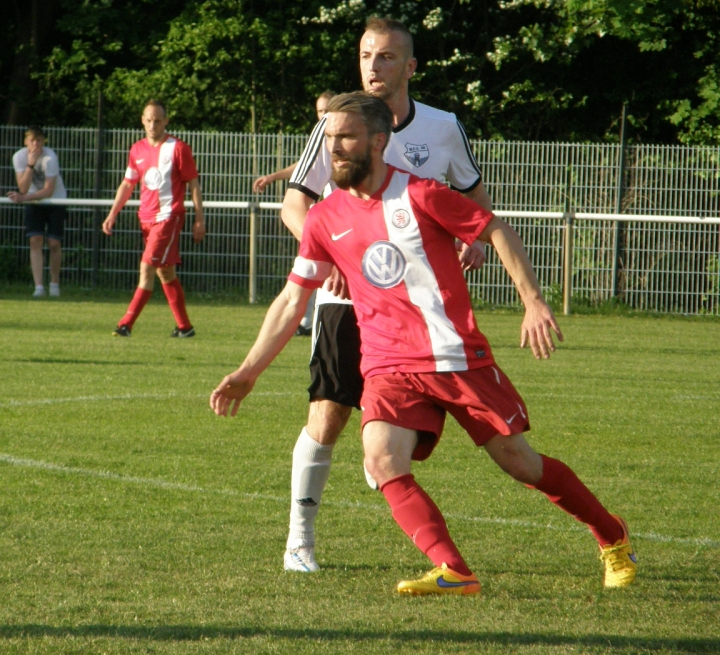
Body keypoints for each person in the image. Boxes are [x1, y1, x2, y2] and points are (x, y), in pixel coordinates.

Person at [211, 92, 637, 596]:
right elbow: (290, 300)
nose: (335, 150)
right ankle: (454, 570)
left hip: (456, 357)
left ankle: (612, 535)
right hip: (389, 365)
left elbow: (494, 227)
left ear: (378, 141)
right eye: (329, 139)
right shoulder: (324, 219)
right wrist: (248, 370)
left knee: (520, 463)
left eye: (345, 137)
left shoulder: (421, 195)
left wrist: (533, 301)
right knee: (381, 459)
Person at [278, 17, 491, 573]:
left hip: (421, 314)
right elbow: (294, 203)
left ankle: (432, 541)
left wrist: (479, 240)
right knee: (327, 416)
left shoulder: (443, 128)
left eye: (387, 56)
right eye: (367, 55)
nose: (374, 66)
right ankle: (300, 537)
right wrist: (332, 254)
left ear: (410, 66)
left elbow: (474, 198)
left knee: (410, 444)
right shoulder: (336, 124)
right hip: (347, 300)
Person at [102, 100, 206, 337]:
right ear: (142, 120)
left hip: (168, 217)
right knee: (165, 272)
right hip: (146, 219)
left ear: (166, 121)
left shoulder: (178, 148)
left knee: (146, 267)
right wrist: (112, 214)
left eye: (157, 120)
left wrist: (199, 218)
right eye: (148, 120)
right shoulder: (137, 149)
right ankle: (185, 328)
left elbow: (194, 184)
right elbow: (128, 184)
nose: (152, 125)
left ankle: (125, 324)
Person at [252, 91, 335, 337]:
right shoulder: (321, 136)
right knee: (307, 270)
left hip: (345, 224)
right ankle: (307, 321)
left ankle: (308, 321)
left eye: (328, 108)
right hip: (323, 223)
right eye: (320, 111)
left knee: (310, 273)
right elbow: (302, 167)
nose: (325, 114)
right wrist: (273, 177)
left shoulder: (344, 137)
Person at [7, 127, 67, 298]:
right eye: (32, 140)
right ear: (25, 142)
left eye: (39, 140)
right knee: (35, 240)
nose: (36, 144)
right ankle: (39, 287)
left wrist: (24, 198)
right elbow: (23, 188)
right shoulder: (19, 157)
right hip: (33, 201)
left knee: (54, 243)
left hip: (55, 199)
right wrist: (30, 165)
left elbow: (48, 190)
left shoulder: (50, 157)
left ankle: (54, 285)